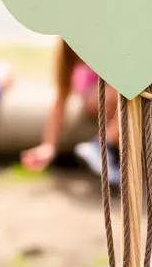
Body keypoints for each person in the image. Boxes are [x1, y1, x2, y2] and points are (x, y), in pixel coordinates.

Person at [21, 38, 122, 186]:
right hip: (98, 91)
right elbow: (60, 100)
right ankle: (106, 148)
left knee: (130, 93)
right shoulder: (68, 50)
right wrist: (48, 146)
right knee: (106, 97)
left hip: (130, 85)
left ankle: (104, 146)